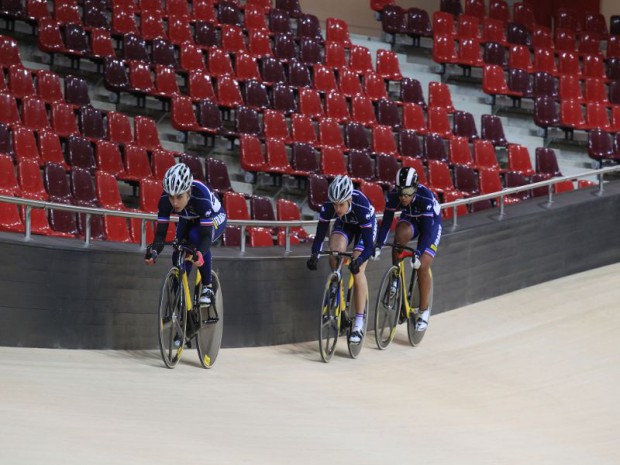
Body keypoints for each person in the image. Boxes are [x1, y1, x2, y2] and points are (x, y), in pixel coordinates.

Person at [145, 163, 227, 309]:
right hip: (188, 217)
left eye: (179, 197)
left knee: (195, 239)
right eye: (171, 197)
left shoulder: (201, 197)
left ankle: (208, 287)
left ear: (188, 191)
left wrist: (200, 253)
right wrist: (154, 251)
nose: (175, 203)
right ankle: (183, 309)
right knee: (178, 251)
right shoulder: (165, 200)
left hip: (214, 216)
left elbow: (206, 236)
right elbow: (160, 234)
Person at [306, 175, 377, 344]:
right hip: (345, 225)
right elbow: (320, 232)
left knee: (358, 271)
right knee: (335, 251)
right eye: (335, 204)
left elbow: (369, 248)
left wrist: (358, 262)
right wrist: (315, 254)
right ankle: (336, 284)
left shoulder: (362, 206)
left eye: (341, 204)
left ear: (349, 199)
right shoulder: (330, 205)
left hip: (364, 229)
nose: (337, 209)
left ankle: (359, 321)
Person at [372, 167, 442, 331]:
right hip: (410, 218)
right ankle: (395, 278)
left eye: (408, 192)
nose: (403, 197)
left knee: (423, 265)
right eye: (401, 192)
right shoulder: (394, 197)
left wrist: (418, 254)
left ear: (416, 188)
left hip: (430, 224)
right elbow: (386, 224)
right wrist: (378, 245)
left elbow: (425, 232)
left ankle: (423, 311)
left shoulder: (425, 199)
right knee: (399, 234)